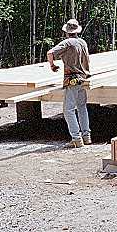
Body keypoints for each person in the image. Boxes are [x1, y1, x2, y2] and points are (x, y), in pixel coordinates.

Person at [47, 19, 91, 148]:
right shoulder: (82, 42)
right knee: (82, 107)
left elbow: (50, 53)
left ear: (67, 32)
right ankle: (86, 136)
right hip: (83, 78)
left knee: (68, 110)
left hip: (72, 79)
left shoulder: (67, 43)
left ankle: (76, 139)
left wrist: (52, 65)